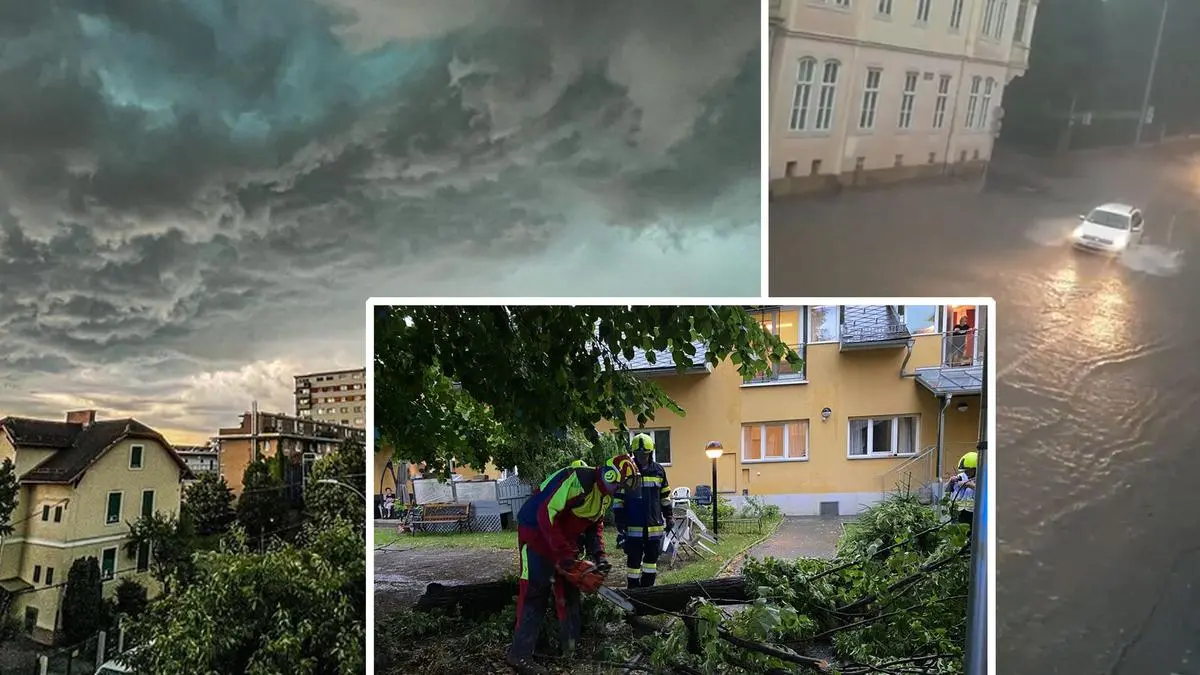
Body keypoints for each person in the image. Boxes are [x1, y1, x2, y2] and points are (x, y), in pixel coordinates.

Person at [506, 455, 640, 675]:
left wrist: (599, 556)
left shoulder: (604, 496)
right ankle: (519, 654)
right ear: (610, 475)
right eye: (620, 485)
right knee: (535, 591)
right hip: (537, 533)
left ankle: (570, 647)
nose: (620, 490)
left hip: (562, 538)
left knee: (569, 591)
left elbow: (594, 526)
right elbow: (545, 513)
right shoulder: (579, 480)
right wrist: (564, 555)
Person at [613, 433, 673, 589]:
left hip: (654, 527)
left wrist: (669, 516)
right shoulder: (626, 471)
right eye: (639, 454)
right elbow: (618, 499)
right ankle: (633, 594)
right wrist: (620, 522)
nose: (642, 457)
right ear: (634, 453)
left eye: (645, 454)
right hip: (633, 528)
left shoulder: (659, 471)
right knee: (633, 563)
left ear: (650, 453)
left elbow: (665, 496)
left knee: (651, 562)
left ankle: (648, 592)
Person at [946, 451, 977, 534]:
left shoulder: (982, 477)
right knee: (957, 536)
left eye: (968, 470)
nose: (965, 472)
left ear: (975, 469)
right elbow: (948, 491)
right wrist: (951, 482)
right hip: (958, 512)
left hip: (973, 514)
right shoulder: (961, 476)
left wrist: (969, 485)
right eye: (964, 470)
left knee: (970, 536)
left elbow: (984, 491)